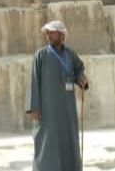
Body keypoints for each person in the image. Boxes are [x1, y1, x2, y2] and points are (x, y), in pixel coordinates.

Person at [27, 20, 89, 171]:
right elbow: (34, 80)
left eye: (52, 32)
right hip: (48, 109)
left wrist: (81, 78)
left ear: (62, 35)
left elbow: (78, 69)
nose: (48, 35)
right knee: (48, 141)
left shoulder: (70, 55)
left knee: (68, 139)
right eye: (47, 32)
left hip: (67, 109)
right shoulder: (41, 55)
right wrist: (34, 107)